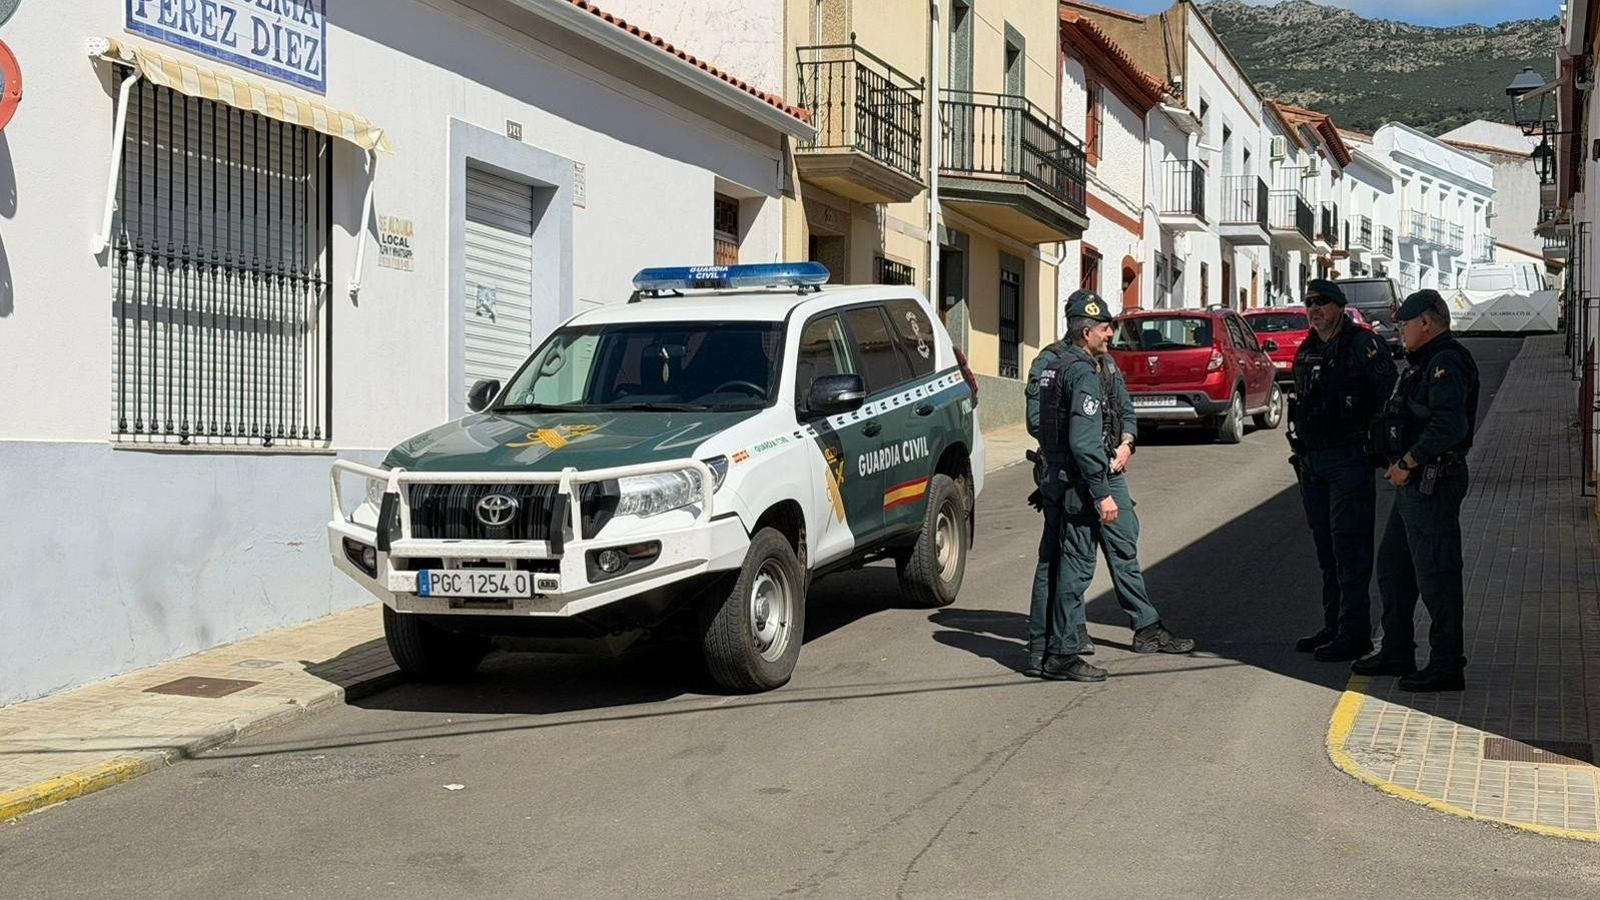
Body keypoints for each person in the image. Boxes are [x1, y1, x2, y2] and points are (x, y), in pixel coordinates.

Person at [1025, 293, 1193, 682]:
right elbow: (1041, 423)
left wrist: (1127, 442)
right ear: (1083, 328)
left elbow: (1125, 410)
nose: (1111, 334)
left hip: (1106, 470)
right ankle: (1050, 645)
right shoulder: (1053, 362)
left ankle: (1145, 627)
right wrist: (1088, 462)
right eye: (1104, 327)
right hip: (1076, 474)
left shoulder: (1103, 362)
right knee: (1061, 560)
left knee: (1122, 546)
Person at [1357, 289, 1478, 692]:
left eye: (1404, 324)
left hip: (1431, 482)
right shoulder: (1422, 363)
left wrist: (1407, 462)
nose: (1400, 331)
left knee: (1437, 575)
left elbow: (1450, 426)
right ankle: (1396, 649)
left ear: (1426, 322)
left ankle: (1446, 663)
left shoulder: (1446, 362)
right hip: (1412, 483)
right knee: (1394, 567)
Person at [1286, 279, 1397, 662]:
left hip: (1349, 458)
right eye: (1309, 303)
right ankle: (1334, 625)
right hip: (1313, 460)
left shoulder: (1361, 344)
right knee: (1327, 550)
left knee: (1350, 549)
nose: (1314, 310)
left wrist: (1375, 444)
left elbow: (1388, 394)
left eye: (1322, 303)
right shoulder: (1309, 348)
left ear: (1338, 306)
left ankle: (1356, 632)